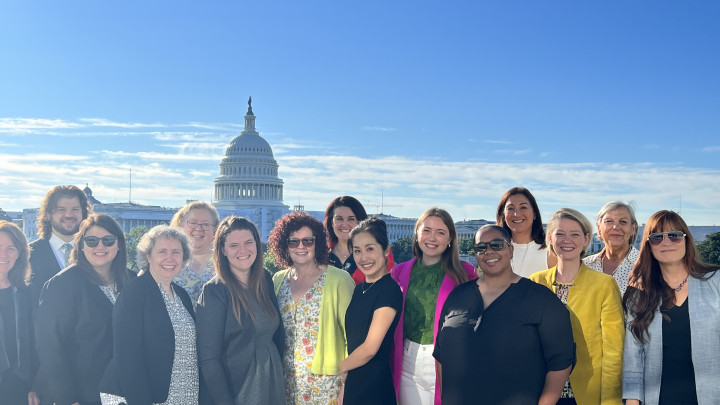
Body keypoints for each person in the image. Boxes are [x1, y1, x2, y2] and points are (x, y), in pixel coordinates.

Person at [434, 225, 574, 405]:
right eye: (481, 248)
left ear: (511, 250)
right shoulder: (457, 296)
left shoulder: (541, 299)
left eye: (497, 245)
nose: (489, 251)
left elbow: (561, 362)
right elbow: (441, 356)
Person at [623, 210, 720, 405]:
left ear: (686, 239)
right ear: (649, 245)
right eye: (657, 237)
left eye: (674, 236)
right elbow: (634, 360)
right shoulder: (638, 295)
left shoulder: (716, 281)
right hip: (658, 399)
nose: (666, 242)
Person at [530, 208, 624, 405]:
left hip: (586, 393)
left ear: (586, 239)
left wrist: (610, 401)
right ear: (550, 238)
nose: (567, 240)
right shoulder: (535, 283)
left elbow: (613, 352)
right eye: (560, 234)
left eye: (575, 234)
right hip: (541, 393)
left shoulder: (604, 285)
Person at [35, 213, 132, 405]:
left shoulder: (134, 282)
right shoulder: (62, 285)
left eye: (108, 240)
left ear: (119, 244)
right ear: (81, 245)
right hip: (84, 394)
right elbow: (50, 348)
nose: (100, 246)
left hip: (129, 391)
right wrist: (68, 399)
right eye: (92, 241)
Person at [99, 225, 199, 405]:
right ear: (148, 256)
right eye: (162, 251)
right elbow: (127, 355)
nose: (170, 258)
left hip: (184, 394)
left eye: (176, 252)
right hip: (146, 397)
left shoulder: (182, 295)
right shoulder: (135, 291)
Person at [391, 207, 478, 405]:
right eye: (427, 230)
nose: (432, 237)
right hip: (407, 359)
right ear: (417, 234)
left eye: (440, 232)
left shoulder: (465, 273)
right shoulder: (399, 272)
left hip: (446, 361)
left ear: (450, 239)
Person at [268, 211, 355, 404]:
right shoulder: (278, 281)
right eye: (293, 241)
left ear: (317, 243)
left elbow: (353, 338)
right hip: (286, 383)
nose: (301, 246)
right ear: (285, 245)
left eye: (307, 241)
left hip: (327, 385)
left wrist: (347, 386)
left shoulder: (339, 280)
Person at [196, 216, 285, 405]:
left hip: (272, 379)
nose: (243, 250)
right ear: (223, 250)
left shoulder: (264, 279)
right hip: (240, 387)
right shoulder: (214, 292)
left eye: (248, 242)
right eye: (234, 245)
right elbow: (208, 359)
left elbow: (275, 334)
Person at [340, 217, 403, 405]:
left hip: (374, 388)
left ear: (386, 251)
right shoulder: (359, 289)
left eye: (370, 249)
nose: (363, 257)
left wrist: (337, 369)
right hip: (354, 382)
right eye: (357, 251)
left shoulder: (389, 290)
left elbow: (369, 349)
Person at [28, 185, 91, 304]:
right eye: (61, 209)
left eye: (75, 209)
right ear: (47, 215)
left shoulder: (96, 252)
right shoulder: (27, 255)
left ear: (83, 214)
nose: (68, 215)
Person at [0, 221, 39, 404]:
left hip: (19, 389)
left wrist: (35, 385)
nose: (4, 254)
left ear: (20, 253)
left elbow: (35, 344)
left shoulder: (26, 293)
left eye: (11, 248)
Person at [324, 196, 395, 285]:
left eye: (351, 219)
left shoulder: (380, 251)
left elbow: (390, 285)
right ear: (331, 222)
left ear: (360, 222)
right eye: (339, 219)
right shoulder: (321, 255)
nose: (345, 224)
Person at [496, 187, 557, 277]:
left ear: (534, 213)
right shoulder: (495, 251)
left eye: (523, 207)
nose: (516, 214)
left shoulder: (550, 253)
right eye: (510, 208)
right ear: (503, 214)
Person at [583, 201, 640, 295]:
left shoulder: (647, 266)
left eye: (623, 222)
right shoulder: (585, 266)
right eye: (609, 221)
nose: (615, 227)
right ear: (598, 228)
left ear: (633, 228)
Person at [170, 201, 220, 305]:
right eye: (193, 222)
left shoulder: (225, 261)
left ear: (215, 230)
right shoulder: (167, 260)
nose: (198, 228)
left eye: (206, 224)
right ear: (180, 225)